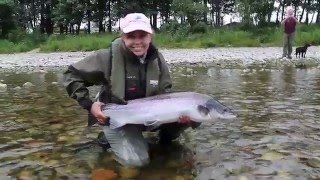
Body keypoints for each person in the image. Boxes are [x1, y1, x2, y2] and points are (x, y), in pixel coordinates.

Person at [63, 12, 198, 167]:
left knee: (192, 113)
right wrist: (89, 105)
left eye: (142, 36)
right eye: (131, 36)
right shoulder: (107, 57)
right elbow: (71, 74)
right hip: (118, 117)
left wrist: (180, 115)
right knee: (138, 162)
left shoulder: (158, 59)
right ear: (122, 37)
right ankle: (108, 137)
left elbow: (165, 94)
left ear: (150, 36)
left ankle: (165, 142)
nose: (137, 41)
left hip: (147, 115)